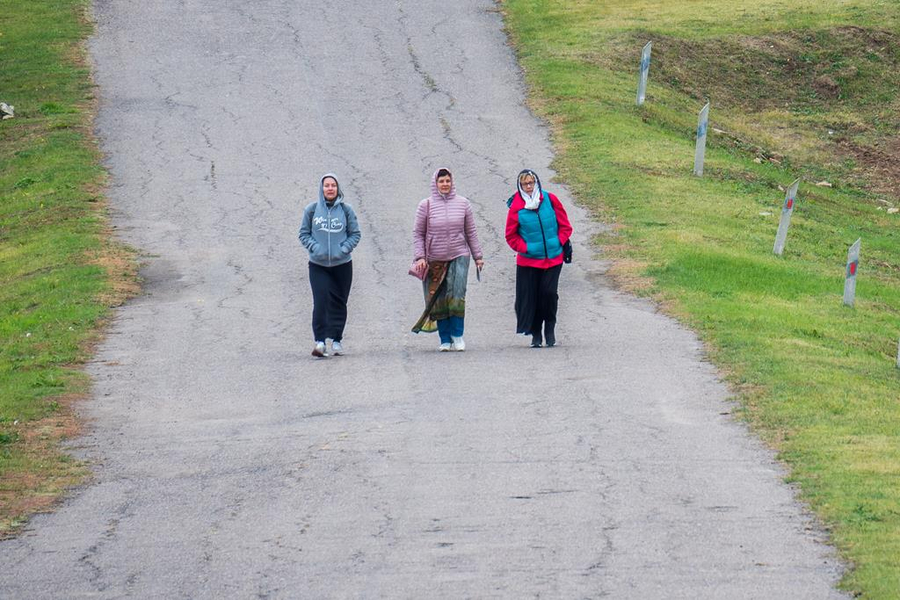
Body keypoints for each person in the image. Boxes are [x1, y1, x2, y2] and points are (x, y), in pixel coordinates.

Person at [411, 168, 485, 352]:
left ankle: (457, 335)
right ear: (435, 184)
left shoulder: (463, 204)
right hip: (434, 259)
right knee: (438, 298)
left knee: (457, 294)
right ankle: (445, 339)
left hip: (459, 255)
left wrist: (478, 256)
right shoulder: (425, 205)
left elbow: (471, 232)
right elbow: (418, 234)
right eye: (441, 181)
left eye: (447, 181)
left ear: (452, 183)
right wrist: (420, 257)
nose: (445, 184)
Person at [505, 169, 572, 348]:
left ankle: (549, 329)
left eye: (531, 183)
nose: (529, 187)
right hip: (529, 261)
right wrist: (527, 248)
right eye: (525, 184)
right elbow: (510, 236)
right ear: (520, 186)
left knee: (549, 294)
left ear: (536, 183)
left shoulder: (550, 199)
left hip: (553, 257)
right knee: (532, 297)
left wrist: (558, 241)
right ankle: (536, 334)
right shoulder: (517, 207)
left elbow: (565, 225)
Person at [298, 173, 361, 357]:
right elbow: (303, 234)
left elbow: (355, 234)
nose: (330, 188)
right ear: (322, 188)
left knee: (339, 301)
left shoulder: (346, 210)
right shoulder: (311, 210)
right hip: (318, 264)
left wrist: (344, 249)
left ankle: (336, 340)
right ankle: (320, 341)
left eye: (333, 185)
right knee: (321, 300)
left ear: (338, 188)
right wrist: (315, 248)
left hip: (342, 264)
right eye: (327, 185)